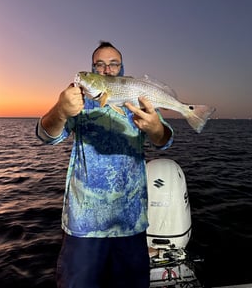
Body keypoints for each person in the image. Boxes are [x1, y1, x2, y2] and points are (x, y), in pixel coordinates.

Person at [36, 41, 174, 288]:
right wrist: (61, 110)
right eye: (98, 65)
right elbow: (46, 136)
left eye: (113, 64)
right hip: (84, 227)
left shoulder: (137, 97)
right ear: (93, 70)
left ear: (122, 68)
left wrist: (156, 128)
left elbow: (163, 140)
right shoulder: (79, 102)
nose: (106, 69)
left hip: (130, 223)